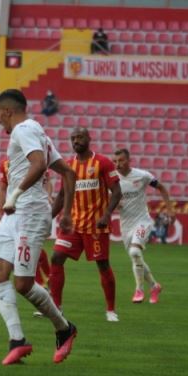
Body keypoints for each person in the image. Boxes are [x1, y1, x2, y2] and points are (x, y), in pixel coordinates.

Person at [0, 89, 78, 365]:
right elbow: (68, 172)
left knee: (23, 284)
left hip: (28, 213)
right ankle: (17, 341)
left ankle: (64, 328)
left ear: (7, 111)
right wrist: (65, 213)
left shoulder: (23, 130)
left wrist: (15, 195)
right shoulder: (37, 131)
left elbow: (38, 165)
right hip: (14, 214)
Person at [49, 127, 122, 322]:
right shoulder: (68, 166)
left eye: (80, 137)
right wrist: (48, 218)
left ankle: (111, 310)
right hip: (73, 225)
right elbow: (62, 195)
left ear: (89, 138)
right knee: (56, 257)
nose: (76, 141)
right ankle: (56, 308)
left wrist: (107, 215)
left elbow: (117, 192)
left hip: (96, 226)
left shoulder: (102, 163)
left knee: (102, 264)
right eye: (73, 138)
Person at [113, 148, 175, 304]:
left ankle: (139, 290)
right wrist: (114, 204)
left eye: (121, 160)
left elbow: (161, 188)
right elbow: (107, 199)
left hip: (142, 221)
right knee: (136, 257)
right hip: (126, 225)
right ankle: (154, 286)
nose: (118, 164)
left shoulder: (142, 175)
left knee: (135, 251)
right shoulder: (112, 179)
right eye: (115, 161)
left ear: (129, 161)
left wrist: (170, 209)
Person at [0, 158, 52, 308]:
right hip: (13, 211)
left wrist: (48, 195)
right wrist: (0, 209)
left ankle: (45, 280)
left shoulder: (34, 159)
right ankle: (44, 280)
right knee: (21, 249)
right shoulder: (5, 163)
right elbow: (2, 188)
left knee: (26, 246)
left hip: (32, 211)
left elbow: (46, 181)